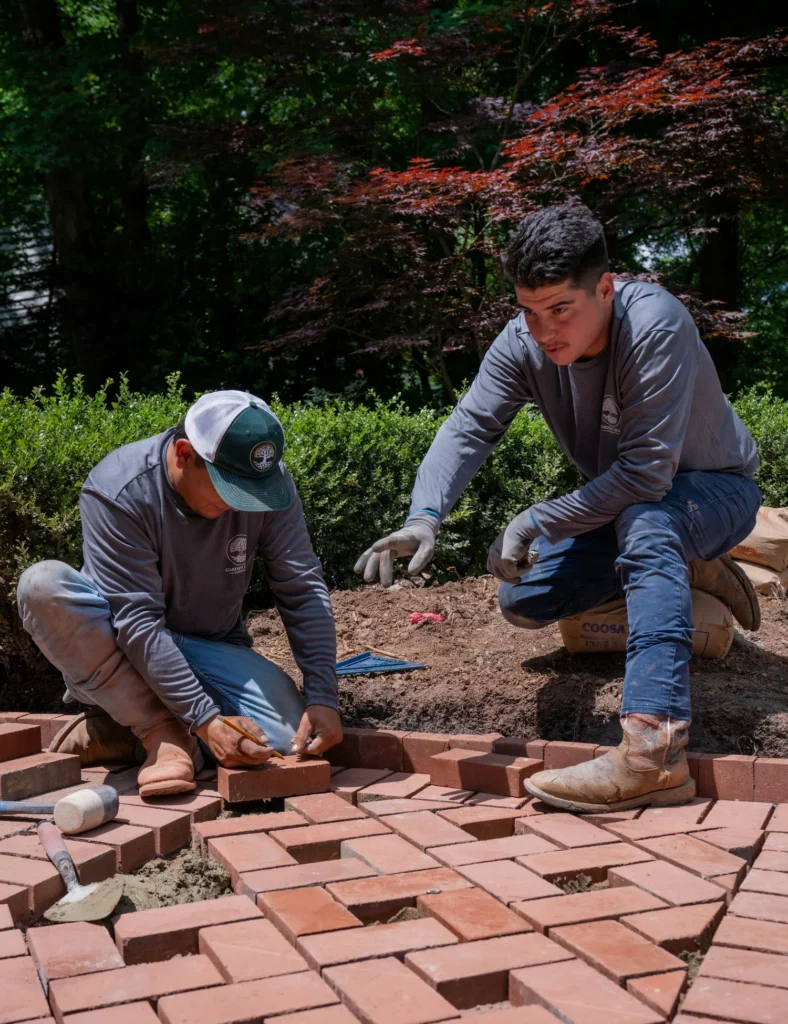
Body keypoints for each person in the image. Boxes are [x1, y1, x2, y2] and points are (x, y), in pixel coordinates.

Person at [355, 204, 761, 814]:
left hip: (714, 490)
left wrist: (535, 518)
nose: (544, 331)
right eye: (529, 310)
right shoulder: (524, 340)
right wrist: (424, 517)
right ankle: (689, 569)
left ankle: (655, 755)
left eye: (561, 309)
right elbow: (470, 426)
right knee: (527, 597)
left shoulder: (655, 325)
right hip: (628, 508)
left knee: (652, 522)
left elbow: (648, 474)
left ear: (605, 287)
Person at [17, 390, 342, 796]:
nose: (240, 504)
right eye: (229, 488)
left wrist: (324, 694)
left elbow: (302, 588)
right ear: (185, 453)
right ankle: (160, 733)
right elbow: (136, 623)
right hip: (116, 645)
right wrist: (206, 719)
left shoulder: (265, 483)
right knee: (42, 586)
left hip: (208, 648)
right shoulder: (120, 490)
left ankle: (118, 733)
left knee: (286, 737)